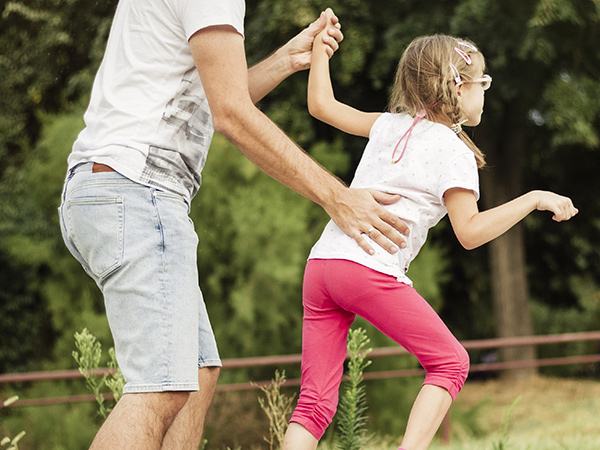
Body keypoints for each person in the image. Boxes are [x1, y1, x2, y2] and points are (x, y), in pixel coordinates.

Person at [58, 2, 412, 449]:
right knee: (161, 385)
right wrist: (337, 197)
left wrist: (286, 59)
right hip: (137, 188)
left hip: (116, 188)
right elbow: (231, 114)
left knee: (197, 373)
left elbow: (215, 94)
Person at [281, 30, 579, 450]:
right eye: (483, 83)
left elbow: (321, 106)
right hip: (368, 270)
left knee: (313, 405)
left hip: (323, 266)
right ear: (459, 86)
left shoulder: (388, 126)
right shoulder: (453, 151)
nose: (484, 93)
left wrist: (321, 51)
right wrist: (531, 199)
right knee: (451, 363)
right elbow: (470, 233)